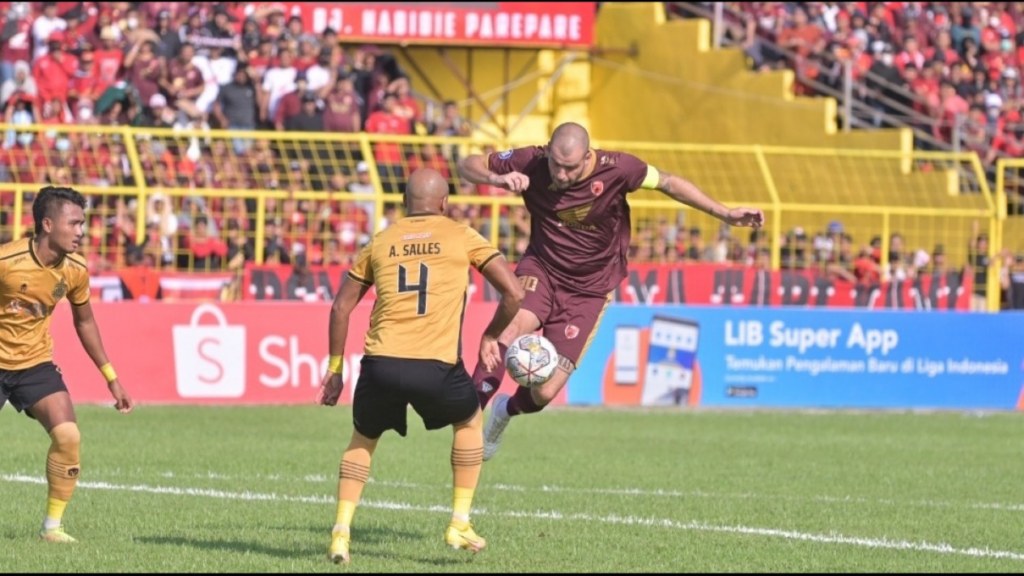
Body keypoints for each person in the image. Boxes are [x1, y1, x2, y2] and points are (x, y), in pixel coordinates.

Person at [456, 122, 764, 460]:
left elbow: (669, 182)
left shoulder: (619, 168)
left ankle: (504, 412)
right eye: (555, 164)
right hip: (542, 270)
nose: (559, 173)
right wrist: (496, 179)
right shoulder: (532, 160)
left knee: (543, 392)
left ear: (588, 156)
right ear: (548, 150)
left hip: (590, 291)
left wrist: (725, 213)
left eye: (569, 167)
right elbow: (468, 164)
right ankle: (469, 422)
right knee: (509, 329)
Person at [316, 168, 524, 564]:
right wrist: (491, 335)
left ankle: (341, 532)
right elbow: (514, 293)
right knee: (469, 423)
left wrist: (335, 368)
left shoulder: (382, 240)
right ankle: (459, 522)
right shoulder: (461, 234)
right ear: (444, 203)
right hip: (435, 366)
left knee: (362, 439)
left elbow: (341, 306)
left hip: (380, 363)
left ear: (404, 203)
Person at [0, 186, 134, 543]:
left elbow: (85, 322)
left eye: (82, 223)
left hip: (34, 364)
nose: (80, 231)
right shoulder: (6, 262)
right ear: (47, 224)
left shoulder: (75, 270)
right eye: (73, 223)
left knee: (68, 435)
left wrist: (112, 378)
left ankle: (52, 528)